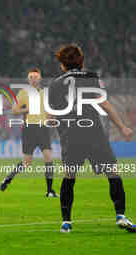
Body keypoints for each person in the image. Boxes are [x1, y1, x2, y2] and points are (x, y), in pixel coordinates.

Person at [48, 44, 135, 233]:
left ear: (62, 64)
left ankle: (66, 222)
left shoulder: (55, 84)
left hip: (71, 136)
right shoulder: (91, 77)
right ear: (81, 61)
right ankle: (120, 215)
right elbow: (103, 103)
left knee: (69, 176)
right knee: (113, 172)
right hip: (94, 133)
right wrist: (122, 126)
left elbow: (51, 117)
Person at [0, 68, 58, 197]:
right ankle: (8, 179)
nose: (33, 79)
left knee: (48, 158)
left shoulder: (44, 93)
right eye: (31, 77)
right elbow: (14, 110)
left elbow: (48, 110)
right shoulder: (23, 93)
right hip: (29, 129)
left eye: (35, 76)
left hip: (43, 128)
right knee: (27, 162)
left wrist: (52, 118)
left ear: (40, 78)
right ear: (28, 79)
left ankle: (49, 191)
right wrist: (28, 108)